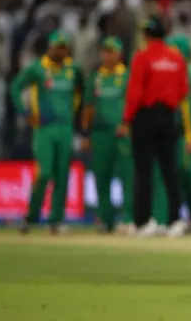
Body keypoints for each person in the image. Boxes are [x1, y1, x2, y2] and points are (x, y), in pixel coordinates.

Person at [11, 30, 86, 235]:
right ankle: (30, 216)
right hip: (44, 128)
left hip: (66, 127)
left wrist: (78, 115)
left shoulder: (74, 69)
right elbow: (16, 87)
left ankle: (56, 220)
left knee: (62, 175)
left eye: (63, 48)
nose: (60, 51)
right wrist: (25, 112)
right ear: (50, 48)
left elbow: (83, 90)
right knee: (43, 173)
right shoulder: (38, 68)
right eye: (57, 47)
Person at [121, 16, 190, 237]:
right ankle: (175, 220)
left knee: (143, 171)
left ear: (147, 35)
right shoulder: (176, 58)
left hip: (146, 116)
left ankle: (144, 222)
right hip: (168, 116)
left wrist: (126, 119)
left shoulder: (142, 57)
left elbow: (135, 92)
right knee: (170, 170)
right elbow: (183, 89)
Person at [149, 35, 191, 235]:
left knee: (185, 173)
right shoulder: (182, 72)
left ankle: (187, 218)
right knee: (176, 174)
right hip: (174, 130)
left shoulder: (187, 73)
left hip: (183, 131)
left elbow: (189, 107)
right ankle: (173, 218)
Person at [81, 37, 134, 234]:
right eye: (105, 51)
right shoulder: (96, 77)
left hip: (121, 133)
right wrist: (85, 134)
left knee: (126, 177)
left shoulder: (127, 75)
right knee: (102, 177)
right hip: (100, 133)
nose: (107, 55)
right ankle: (106, 219)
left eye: (111, 51)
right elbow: (87, 106)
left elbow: (133, 103)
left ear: (119, 54)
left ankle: (128, 217)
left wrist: (128, 124)